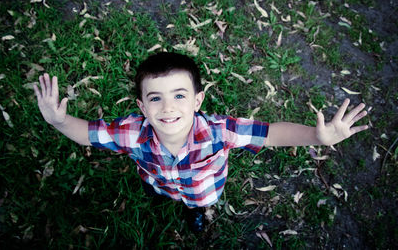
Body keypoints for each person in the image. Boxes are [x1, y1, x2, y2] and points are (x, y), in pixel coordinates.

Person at [33, 52, 369, 232]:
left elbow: (271, 134)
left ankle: (196, 213)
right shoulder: (132, 132)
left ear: (197, 100)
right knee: (155, 190)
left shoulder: (221, 131)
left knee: (197, 205)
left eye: (179, 95)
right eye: (155, 98)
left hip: (203, 190)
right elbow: (90, 134)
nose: (168, 108)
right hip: (157, 180)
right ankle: (160, 195)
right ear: (141, 107)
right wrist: (60, 120)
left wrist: (316, 136)